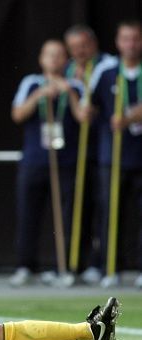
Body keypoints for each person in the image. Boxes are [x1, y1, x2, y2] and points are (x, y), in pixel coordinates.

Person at [9, 40, 82, 287]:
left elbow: (84, 116)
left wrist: (68, 93)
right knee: (28, 212)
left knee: (66, 215)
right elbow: (18, 114)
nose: (54, 60)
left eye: (59, 55)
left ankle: (63, 267)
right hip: (34, 159)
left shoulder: (76, 85)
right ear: (42, 59)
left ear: (66, 60)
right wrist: (41, 94)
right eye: (49, 55)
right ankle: (25, 265)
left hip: (65, 161)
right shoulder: (31, 83)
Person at [83, 20, 142, 290]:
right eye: (126, 39)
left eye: (136, 39)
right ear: (118, 42)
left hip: (139, 156)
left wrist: (130, 117)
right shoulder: (106, 71)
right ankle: (110, 268)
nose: (131, 44)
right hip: (113, 157)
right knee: (111, 213)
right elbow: (90, 107)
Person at [63, 25, 112, 285]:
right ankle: (75, 264)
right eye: (73, 48)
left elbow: (89, 111)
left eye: (82, 46)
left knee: (102, 208)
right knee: (75, 207)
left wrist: (79, 89)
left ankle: (100, 262)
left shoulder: (106, 67)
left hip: (102, 149)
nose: (78, 52)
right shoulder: (68, 68)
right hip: (73, 152)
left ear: (92, 44)